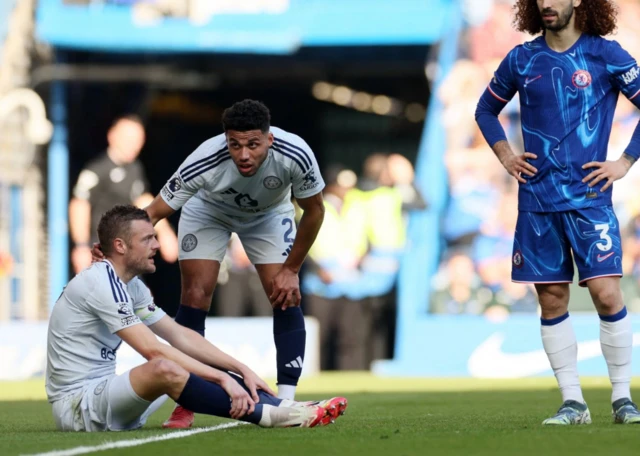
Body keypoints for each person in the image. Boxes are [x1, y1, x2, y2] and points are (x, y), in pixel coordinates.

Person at [92, 99, 326, 429]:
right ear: (226, 140)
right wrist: (113, 244)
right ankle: (187, 401)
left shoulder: (295, 154)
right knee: (196, 295)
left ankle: (286, 400)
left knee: (284, 293)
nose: (243, 155)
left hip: (268, 216)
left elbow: (315, 211)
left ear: (269, 140)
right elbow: (156, 211)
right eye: (235, 144)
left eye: (253, 145)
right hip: (209, 213)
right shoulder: (204, 160)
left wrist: (291, 270)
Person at [475, 0, 640, 425]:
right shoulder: (522, 57)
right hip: (538, 200)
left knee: (606, 293)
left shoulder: (607, 55)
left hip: (590, 198)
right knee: (551, 300)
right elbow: (485, 110)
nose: (546, 4)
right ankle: (573, 403)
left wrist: (623, 162)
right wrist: (506, 156)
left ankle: (622, 398)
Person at [46, 205, 346, 432]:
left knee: (177, 359)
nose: (157, 245)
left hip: (106, 395)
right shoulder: (101, 282)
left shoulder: (131, 285)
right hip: (77, 406)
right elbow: (154, 350)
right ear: (121, 246)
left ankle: (285, 405)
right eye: (147, 238)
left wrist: (240, 369)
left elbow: (179, 335)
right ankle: (271, 416)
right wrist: (220, 378)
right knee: (164, 365)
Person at [70, 114, 178, 274]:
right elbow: (80, 205)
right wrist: (81, 246)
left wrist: (165, 232)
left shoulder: (134, 169)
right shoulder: (98, 169)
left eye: (138, 140)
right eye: (129, 138)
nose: (134, 145)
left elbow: (142, 200)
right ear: (112, 136)